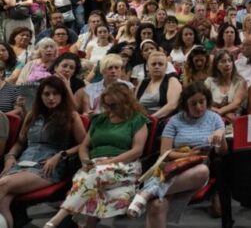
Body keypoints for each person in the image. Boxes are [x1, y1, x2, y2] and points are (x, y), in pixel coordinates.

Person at [44, 82, 149, 228]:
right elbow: (84, 146)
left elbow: (137, 151)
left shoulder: (137, 120)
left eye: (114, 105)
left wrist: (110, 161)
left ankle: (56, 219)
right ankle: (88, 225)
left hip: (124, 164)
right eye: (107, 105)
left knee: (92, 176)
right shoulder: (99, 119)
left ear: (125, 103)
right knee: (88, 177)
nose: (110, 109)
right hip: (95, 164)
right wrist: (85, 161)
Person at [126, 82, 226, 227]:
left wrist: (220, 136)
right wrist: (188, 154)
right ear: (186, 104)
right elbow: (164, 154)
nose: (198, 107)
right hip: (173, 169)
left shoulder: (215, 118)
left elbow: (221, 152)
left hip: (197, 171)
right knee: (156, 205)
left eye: (202, 102)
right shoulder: (174, 121)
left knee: (202, 171)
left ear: (207, 101)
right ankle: (152, 194)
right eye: (193, 104)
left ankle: (147, 192)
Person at [0, 76, 86, 228]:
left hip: (48, 167)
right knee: (4, 201)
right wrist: (10, 156)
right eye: (46, 94)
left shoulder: (71, 116)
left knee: (3, 184)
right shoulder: (32, 115)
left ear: (62, 95)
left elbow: (84, 144)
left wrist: (61, 155)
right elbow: (20, 143)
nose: (51, 98)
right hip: (22, 164)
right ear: (40, 96)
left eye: (55, 93)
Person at [135, 52, 181, 119]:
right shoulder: (143, 82)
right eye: (153, 64)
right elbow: (134, 104)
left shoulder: (172, 80)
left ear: (166, 67)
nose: (157, 66)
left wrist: (151, 118)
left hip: (162, 122)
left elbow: (172, 105)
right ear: (148, 67)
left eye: (160, 64)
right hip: (142, 120)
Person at [205, 50, 247, 124]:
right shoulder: (209, 81)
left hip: (234, 121)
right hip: (212, 120)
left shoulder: (240, 82)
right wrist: (223, 114)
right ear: (216, 65)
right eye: (223, 61)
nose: (227, 64)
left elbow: (236, 104)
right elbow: (204, 103)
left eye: (229, 61)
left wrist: (219, 111)